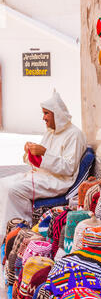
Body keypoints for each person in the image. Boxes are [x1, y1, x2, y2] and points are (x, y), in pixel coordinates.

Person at [0, 90, 87, 239]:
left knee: (14, 190)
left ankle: (20, 231)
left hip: (58, 180)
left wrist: (44, 153)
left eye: (47, 113)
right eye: (43, 113)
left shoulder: (75, 134)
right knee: (3, 183)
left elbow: (68, 168)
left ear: (57, 114)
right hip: (41, 175)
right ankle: (5, 229)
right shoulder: (50, 132)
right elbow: (39, 161)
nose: (43, 118)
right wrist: (30, 152)